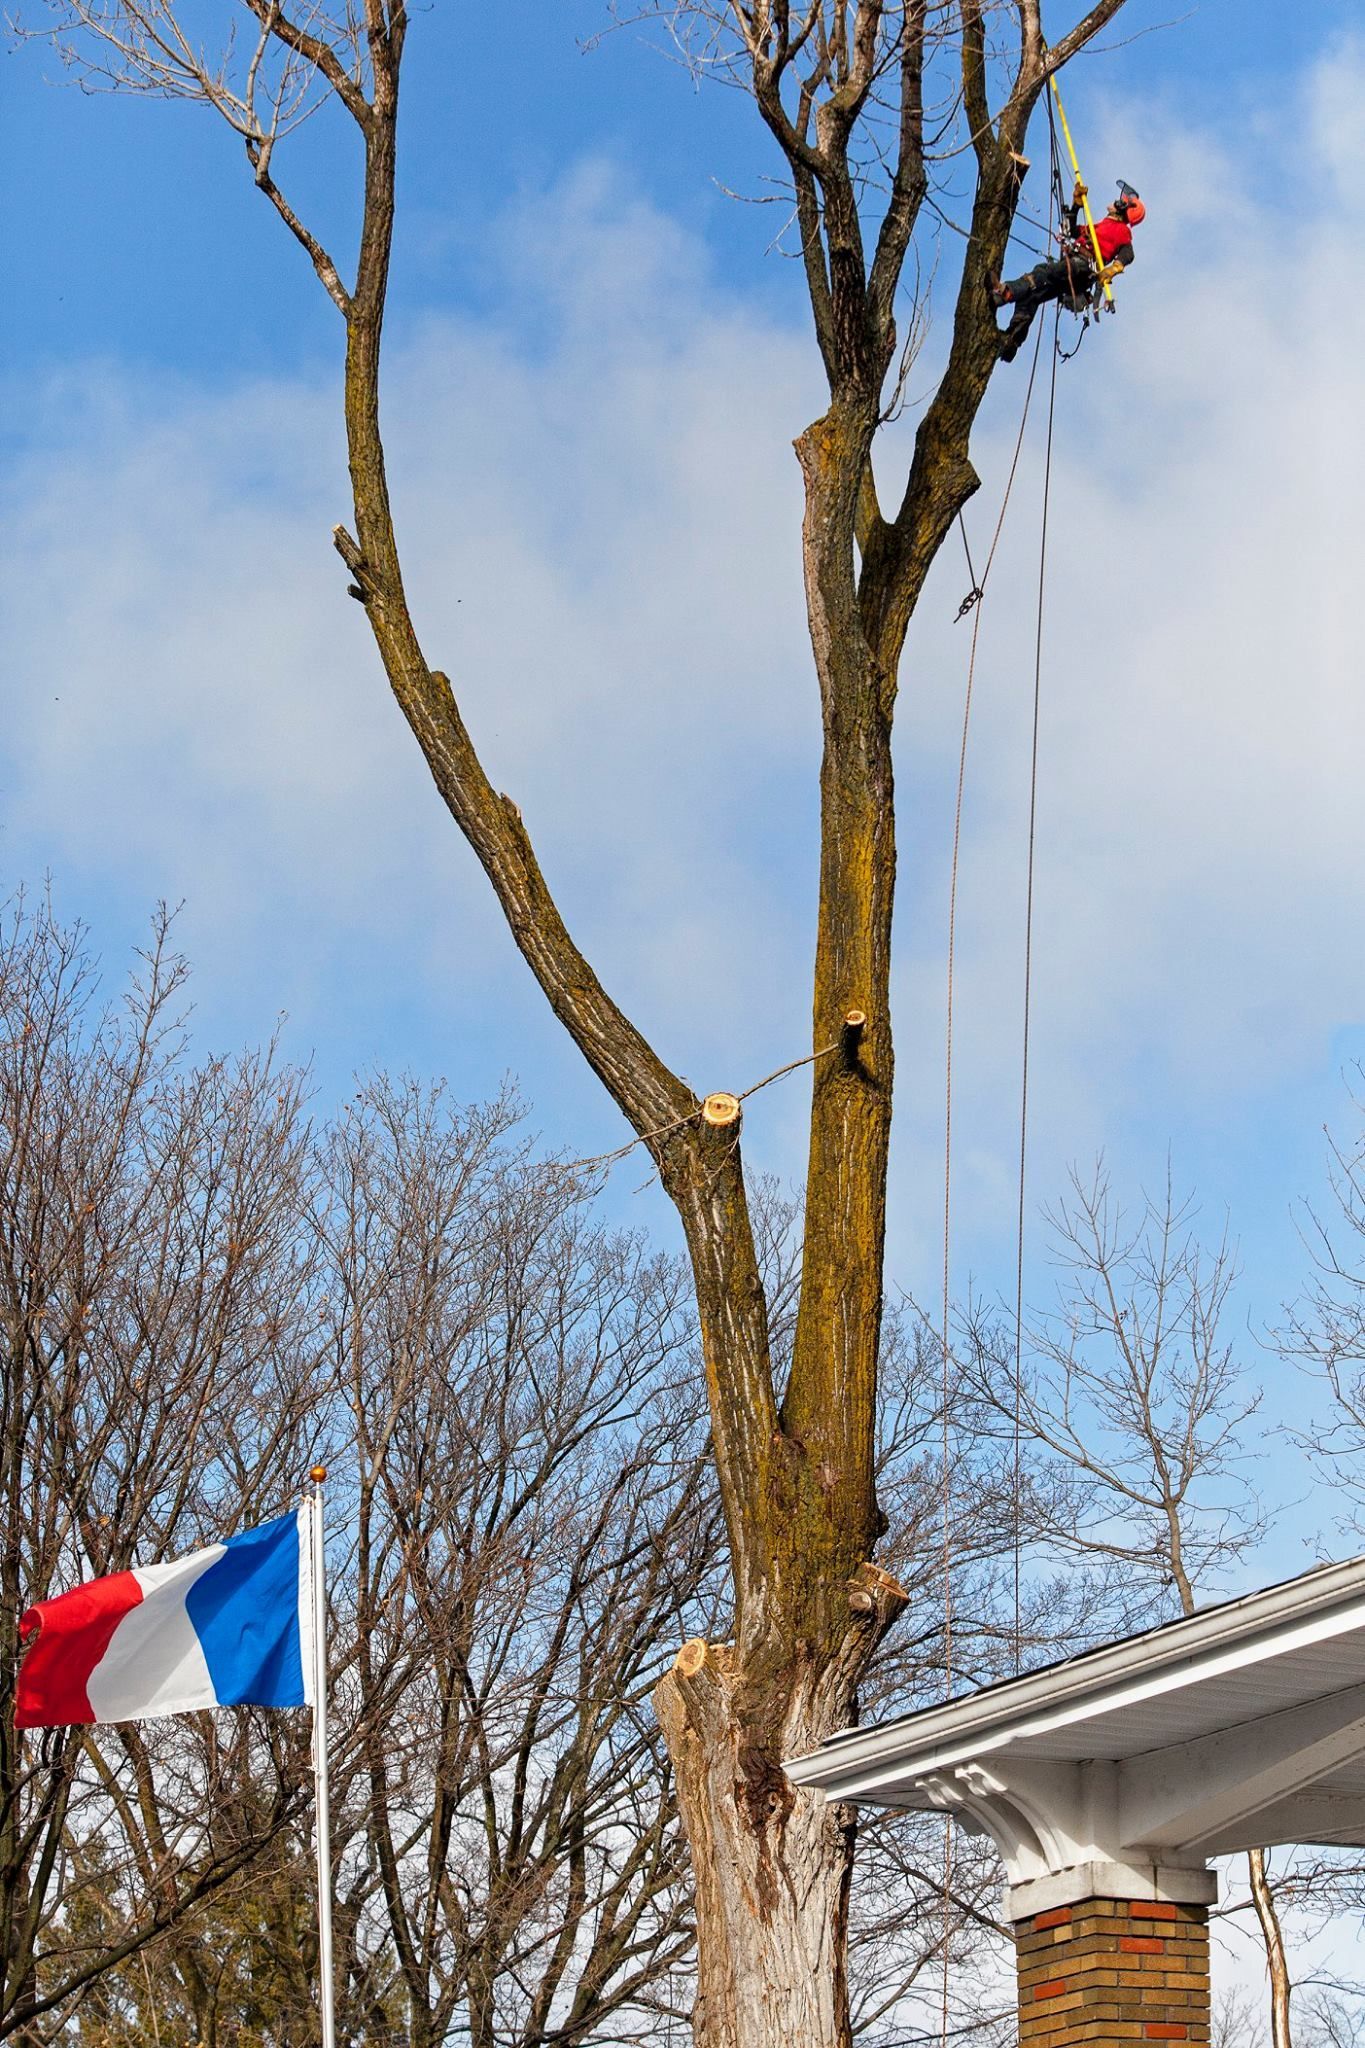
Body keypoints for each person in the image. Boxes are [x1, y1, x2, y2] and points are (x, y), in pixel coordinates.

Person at [991, 181, 1145, 360]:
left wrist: (1113, 269)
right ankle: (1011, 341)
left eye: (1119, 201)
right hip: (1075, 267)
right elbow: (1071, 231)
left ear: (1121, 207)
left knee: (1042, 272)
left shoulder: (1122, 231)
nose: (1114, 201)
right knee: (1033, 295)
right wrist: (1076, 206)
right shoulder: (1102, 225)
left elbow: (1128, 254)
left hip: (1082, 266)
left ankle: (1005, 293)